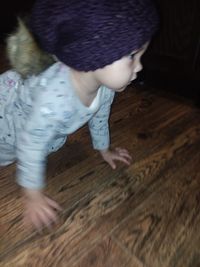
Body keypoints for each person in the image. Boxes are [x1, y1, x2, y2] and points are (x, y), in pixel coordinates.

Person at [0, 0, 159, 231]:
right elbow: (29, 145)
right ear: (94, 56)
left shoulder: (103, 86)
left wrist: (104, 149)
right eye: (132, 56)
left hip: (34, 121)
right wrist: (32, 197)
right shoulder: (54, 101)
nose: (139, 67)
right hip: (7, 126)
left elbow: (99, 116)